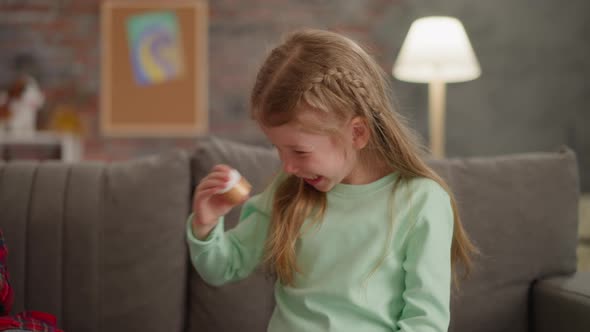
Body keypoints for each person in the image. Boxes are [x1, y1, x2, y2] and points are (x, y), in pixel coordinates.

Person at [187, 28, 477, 332]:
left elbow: (425, 321)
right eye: (278, 149)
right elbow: (223, 267)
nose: (287, 167)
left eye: (299, 151)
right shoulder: (287, 195)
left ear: (357, 133)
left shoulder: (422, 201)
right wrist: (205, 227)